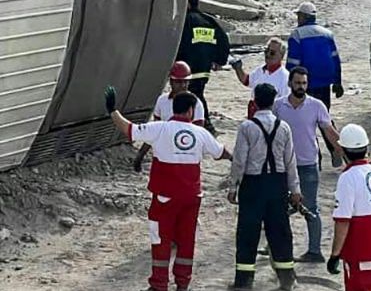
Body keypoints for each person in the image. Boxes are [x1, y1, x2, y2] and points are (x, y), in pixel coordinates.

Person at [106, 88, 231, 291]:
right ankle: (183, 283)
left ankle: (159, 284)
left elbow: (129, 129)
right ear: (190, 111)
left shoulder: (160, 128)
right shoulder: (201, 133)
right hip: (192, 197)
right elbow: (220, 152)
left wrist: (112, 110)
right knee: (186, 240)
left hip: (165, 197)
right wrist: (237, 159)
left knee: (161, 240)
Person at [229, 83, 302, 290]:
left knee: (247, 233)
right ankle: (287, 280)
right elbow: (290, 162)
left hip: (253, 185)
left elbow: (240, 161)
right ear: (272, 102)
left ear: (255, 102)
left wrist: (233, 187)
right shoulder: (284, 127)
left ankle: (244, 282)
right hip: (277, 185)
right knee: (279, 232)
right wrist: (295, 190)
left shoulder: (247, 127)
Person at [273, 66, 343, 263]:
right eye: (297, 83)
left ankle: (314, 251)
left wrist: (347, 153)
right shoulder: (278, 107)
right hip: (283, 166)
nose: (301, 87)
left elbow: (329, 132)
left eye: (304, 83)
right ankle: (278, 249)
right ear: (289, 84)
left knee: (310, 208)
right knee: (278, 209)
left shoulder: (317, 106)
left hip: (308, 165)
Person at [326, 124, 371, 291]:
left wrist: (335, 255)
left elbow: (343, 221)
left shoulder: (347, 178)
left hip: (359, 252)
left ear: (342, 150)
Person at [287, 1, 343, 167]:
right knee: (324, 117)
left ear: (304, 17)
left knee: (306, 121)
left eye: (299, 16)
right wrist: (338, 82)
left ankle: (315, 157)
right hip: (325, 83)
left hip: (304, 85)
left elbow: (293, 63)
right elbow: (335, 59)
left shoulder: (297, 35)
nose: (298, 19)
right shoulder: (327, 34)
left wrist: (289, 83)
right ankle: (336, 150)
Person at [133, 61, 206, 172]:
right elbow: (154, 131)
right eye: (179, 82)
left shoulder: (196, 103)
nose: (183, 86)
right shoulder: (162, 101)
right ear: (171, 82)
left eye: (186, 82)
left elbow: (199, 134)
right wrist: (141, 155)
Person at [177, 0, 230, 135]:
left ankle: (205, 124)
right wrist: (219, 60)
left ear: (187, 4)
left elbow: (179, 43)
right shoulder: (208, 20)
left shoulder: (186, 20)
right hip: (204, 67)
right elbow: (224, 40)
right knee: (197, 92)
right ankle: (199, 123)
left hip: (188, 67)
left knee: (194, 94)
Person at [231, 37, 290, 119]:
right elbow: (247, 81)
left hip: (271, 118)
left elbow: (286, 104)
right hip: (254, 114)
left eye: (272, 53)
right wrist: (238, 69)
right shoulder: (260, 70)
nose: (268, 55)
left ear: (281, 56)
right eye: (266, 51)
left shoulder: (285, 77)